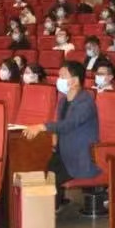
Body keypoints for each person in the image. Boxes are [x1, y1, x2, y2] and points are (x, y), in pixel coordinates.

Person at [23, 61, 100, 209]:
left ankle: (48, 212)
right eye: (59, 76)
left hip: (80, 157)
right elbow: (59, 127)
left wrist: (42, 126)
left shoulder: (85, 102)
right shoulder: (63, 101)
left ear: (75, 80)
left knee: (52, 179)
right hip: (62, 153)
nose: (59, 80)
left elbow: (68, 125)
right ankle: (46, 210)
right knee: (39, 172)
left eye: (63, 76)